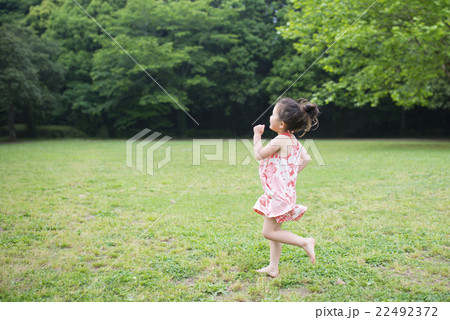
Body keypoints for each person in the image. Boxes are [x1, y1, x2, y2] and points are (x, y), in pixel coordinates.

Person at [252, 97, 319, 278]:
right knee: (276, 232)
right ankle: (273, 267)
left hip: (278, 195)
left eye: (273, 115)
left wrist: (257, 135)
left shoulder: (281, 140)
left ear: (281, 123)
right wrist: (290, 173)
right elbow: (306, 159)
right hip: (284, 192)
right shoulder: (293, 140)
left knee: (269, 232)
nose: (270, 118)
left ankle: (305, 242)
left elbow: (259, 155)